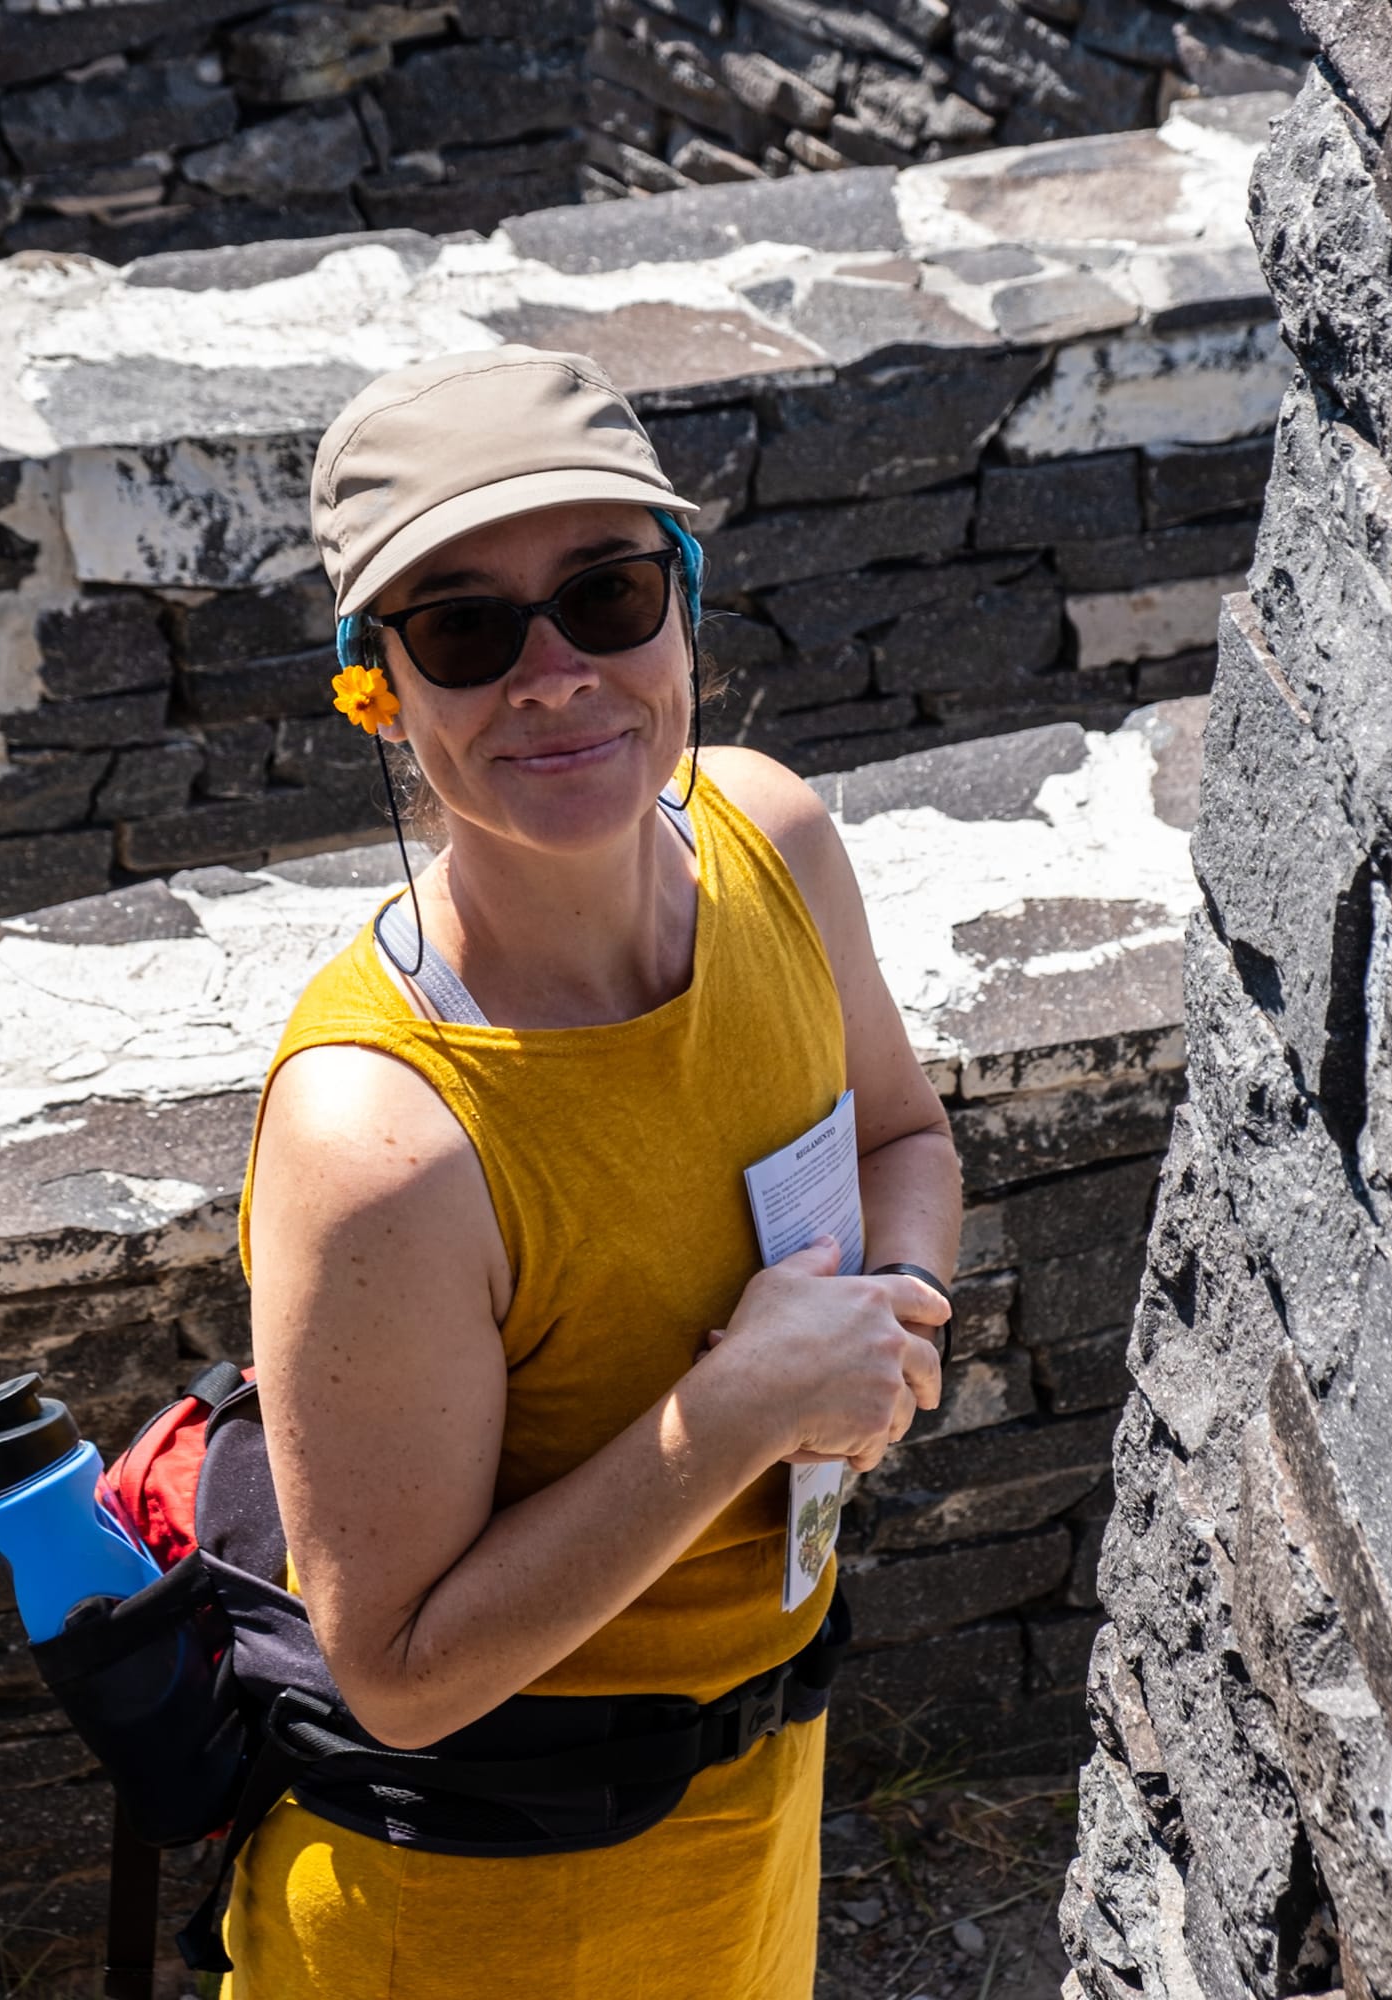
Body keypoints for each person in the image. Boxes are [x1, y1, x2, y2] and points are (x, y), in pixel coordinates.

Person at [233, 346, 963, 1999]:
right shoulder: (383, 1135)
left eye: (609, 595)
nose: (557, 674)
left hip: (756, 1790)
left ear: (685, 614)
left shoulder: (772, 840)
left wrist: (885, 1332)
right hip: (492, 1900)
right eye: (469, 631)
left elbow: (901, 1138)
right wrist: (742, 1413)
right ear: (379, 692)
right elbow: (402, 1675)